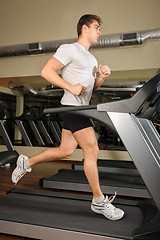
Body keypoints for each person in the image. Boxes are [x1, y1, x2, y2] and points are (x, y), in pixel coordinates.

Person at [12, 14, 124, 220]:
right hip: (71, 108)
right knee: (92, 149)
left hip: (80, 108)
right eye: (97, 27)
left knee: (65, 151)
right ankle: (99, 201)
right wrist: (70, 86)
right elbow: (47, 71)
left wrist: (101, 78)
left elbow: (90, 88)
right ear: (84, 28)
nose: (100, 32)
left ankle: (26, 162)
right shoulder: (69, 49)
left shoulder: (92, 57)